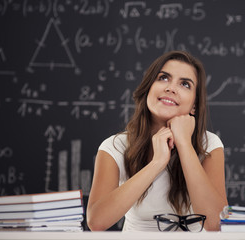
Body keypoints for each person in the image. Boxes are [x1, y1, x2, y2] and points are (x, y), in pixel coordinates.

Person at [87, 50, 227, 232]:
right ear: (148, 89)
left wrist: (184, 144)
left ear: (194, 105)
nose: (171, 88)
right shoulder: (114, 146)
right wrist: (157, 162)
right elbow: (96, 222)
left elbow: (216, 224)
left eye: (185, 84)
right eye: (163, 78)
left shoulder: (209, 144)